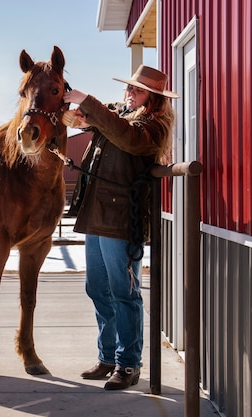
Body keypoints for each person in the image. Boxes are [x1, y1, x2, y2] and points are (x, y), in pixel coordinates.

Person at [62, 65, 178, 390]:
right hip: (97, 214)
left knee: (124, 292)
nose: (130, 94)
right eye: (130, 89)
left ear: (153, 100)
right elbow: (86, 122)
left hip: (123, 218)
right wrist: (72, 111)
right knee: (97, 288)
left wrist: (87, 101)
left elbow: (125, 137)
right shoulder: (119, 115)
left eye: (137, 91)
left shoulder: (151, 127)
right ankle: (108, 357)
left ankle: (129, 364)